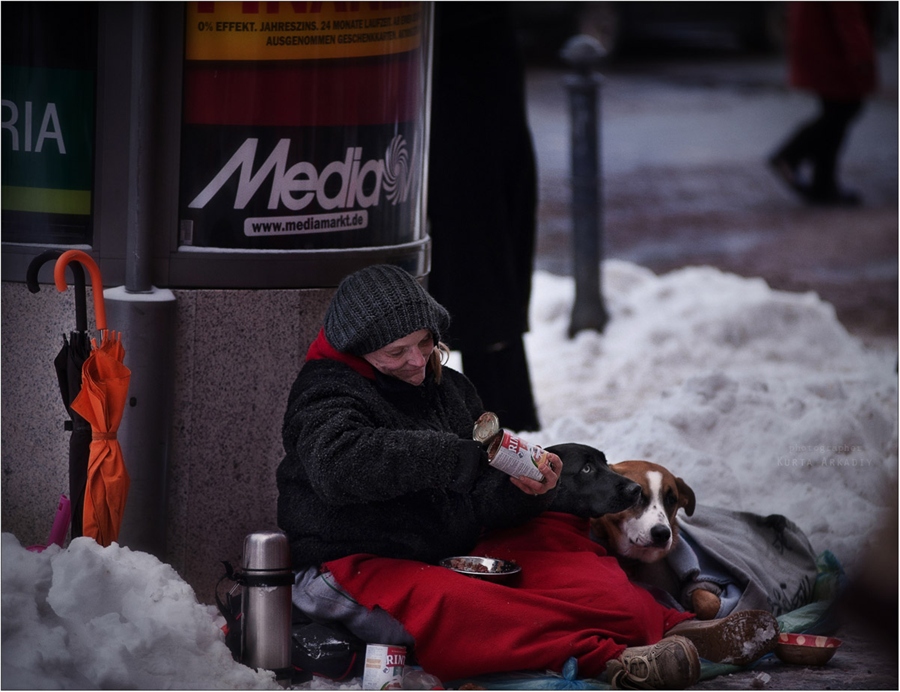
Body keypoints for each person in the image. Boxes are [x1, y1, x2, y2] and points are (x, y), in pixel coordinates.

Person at [277, 264, 778, 688]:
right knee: (472, 607)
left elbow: (478, 490)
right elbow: (341, 465)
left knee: (572, 559)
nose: (417, 360)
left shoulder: (448, 388)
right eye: (396, 352)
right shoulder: (326, 393)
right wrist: (461, 459)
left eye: (425, 343)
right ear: (357, 350)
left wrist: (525, 489)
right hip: (349, 565)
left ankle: (678, 629)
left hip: (446, 549)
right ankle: (616, 660)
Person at [426, 3, 541, 431]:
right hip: (452, 48)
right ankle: (503, 417)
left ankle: (504, 421)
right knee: (480, 233)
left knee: (480, 231)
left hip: (463, 52)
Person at [768, 1, 880, 206]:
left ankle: (823, 183)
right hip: (831, 47)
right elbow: (848, 16)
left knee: (838, 110)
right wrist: (862, 54)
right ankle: (792, 156)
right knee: (842, 109)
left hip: (822, 42)